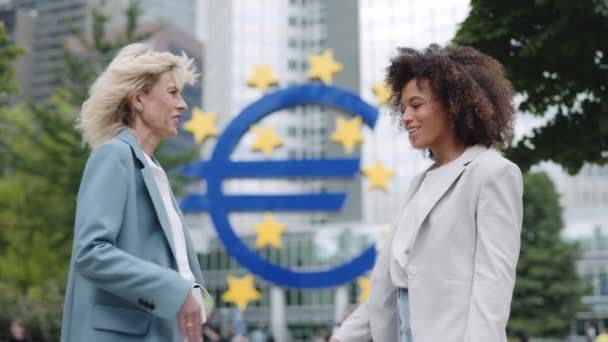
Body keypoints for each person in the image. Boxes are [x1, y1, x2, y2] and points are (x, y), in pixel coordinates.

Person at [330, 44, 523, 342]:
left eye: (416, 105)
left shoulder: (493, 173)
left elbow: (493, 283)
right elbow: (386, 287)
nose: (405, 117)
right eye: (403, 107)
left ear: (452, 105)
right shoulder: (419, 184)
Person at [61, 43, 206, 342]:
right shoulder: (113, 155)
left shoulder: (154, 171)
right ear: (139, 99)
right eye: (172, 93)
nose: (183, 105)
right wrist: (175, 289)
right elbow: (90, 252)